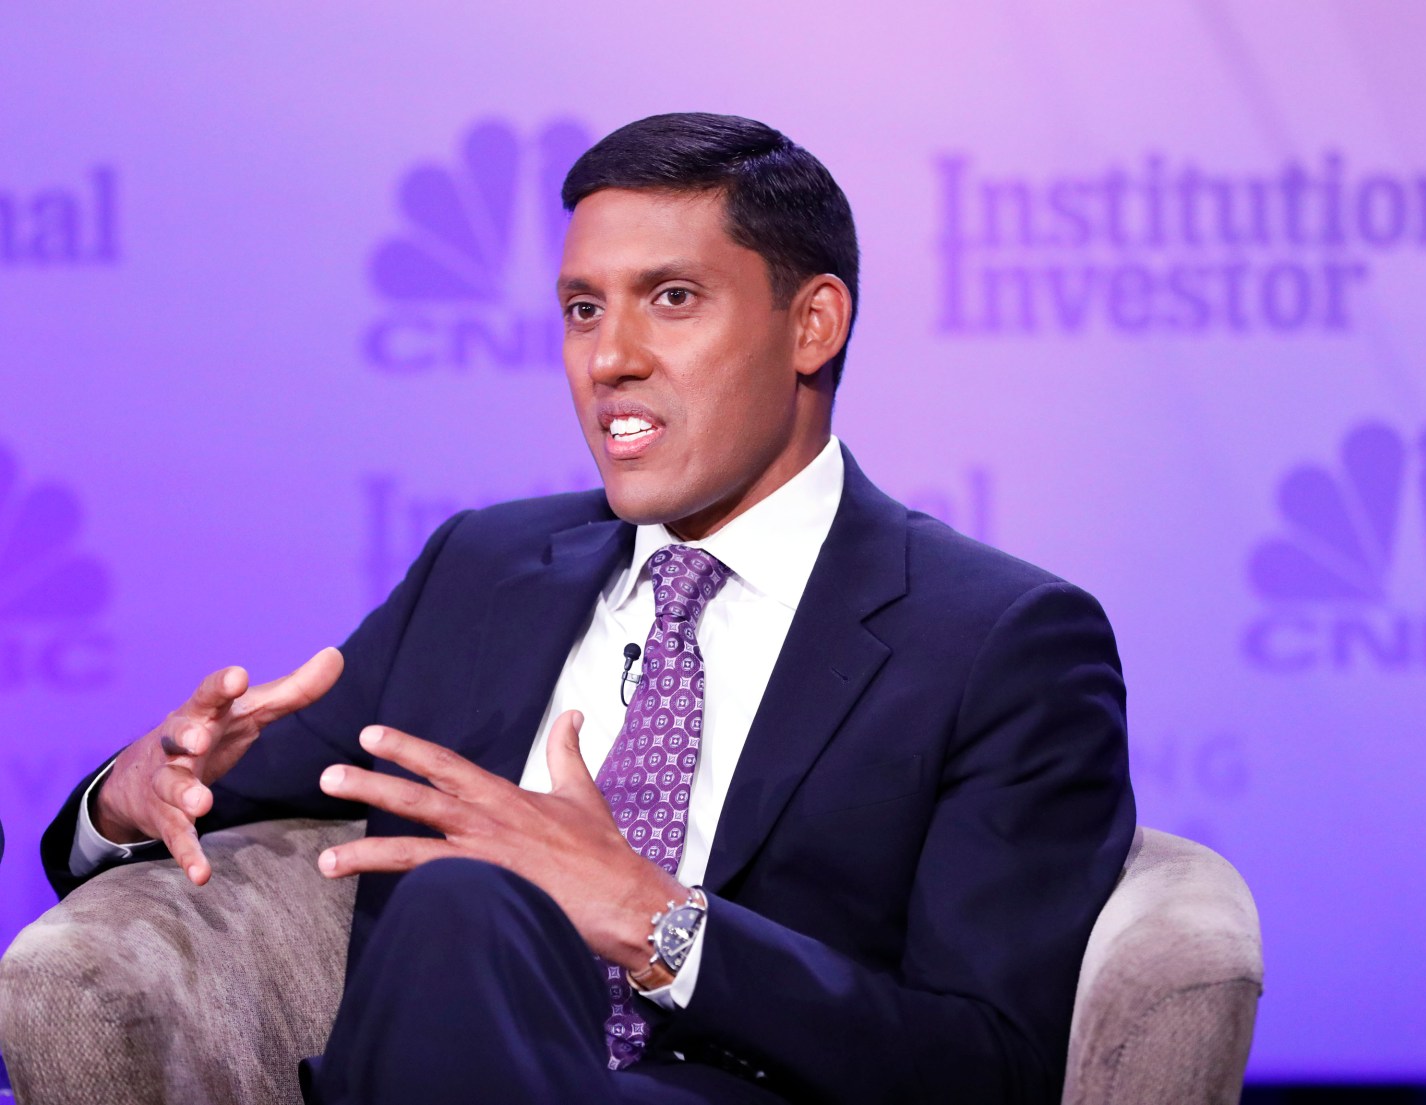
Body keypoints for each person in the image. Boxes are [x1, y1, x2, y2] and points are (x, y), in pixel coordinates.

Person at [42, 113, 1135, 1105]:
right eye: (582, 309)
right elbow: (228, 787)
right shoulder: (483, 571)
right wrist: (128, 796)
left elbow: (990, 1066)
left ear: (813, 325)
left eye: (673, 298)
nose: (609, 359)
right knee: (467, 904)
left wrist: (656, 922)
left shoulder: (999, 641)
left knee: (464, 895)